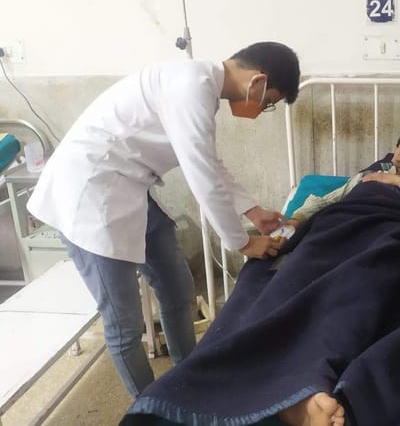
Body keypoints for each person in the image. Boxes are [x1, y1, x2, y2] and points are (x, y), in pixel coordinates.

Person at [121, 124, 400, 426]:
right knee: (284, 287)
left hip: (387, 236)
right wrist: (293, 223)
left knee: (357, 289)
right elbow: (325, 202)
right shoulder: (365, 176)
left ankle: (304, 385)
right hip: (333, 232)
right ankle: (268, 385)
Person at [26, 41, 301, 398]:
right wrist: (244, 242)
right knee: (124, 324)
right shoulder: (190, 88)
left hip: (129, 188)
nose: (262, 109)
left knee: (177, 289)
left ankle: (188, 379)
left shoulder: (200, 88)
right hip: (88, 196)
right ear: (258, 81)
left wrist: (253, 211)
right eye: (268, 102)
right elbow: (202, 177)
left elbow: (209, 163)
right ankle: (150, 410)